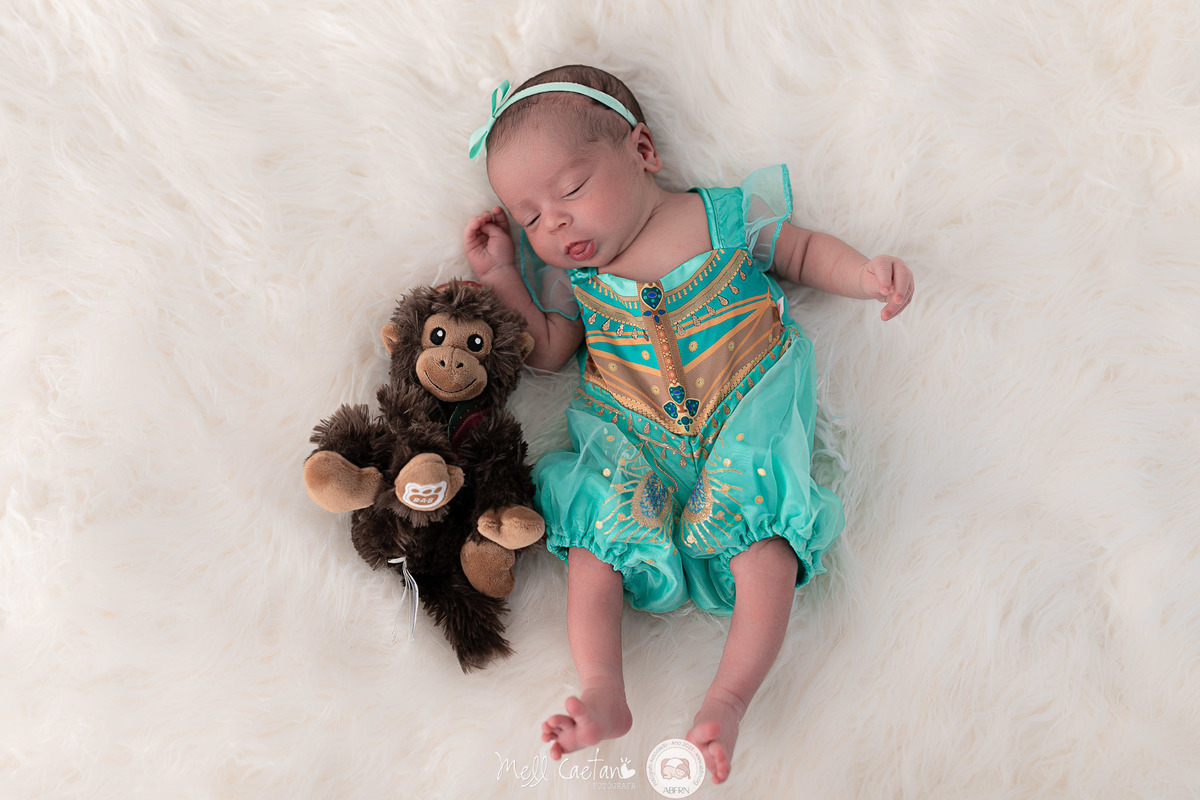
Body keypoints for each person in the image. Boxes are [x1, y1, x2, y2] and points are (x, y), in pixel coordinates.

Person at [462, 64, 913, 785]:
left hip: (742, 416)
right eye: (531, 219)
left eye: (570, 190)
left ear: (642, 151)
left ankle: (727, 700)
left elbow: (799, 251)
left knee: (766, 546)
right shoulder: (572, 279)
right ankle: (603, 691)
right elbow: (547, 348)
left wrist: (864, 275)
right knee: (593, 548)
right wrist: (502, 275)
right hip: (633, 438)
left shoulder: (723, 215)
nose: (556, 223)